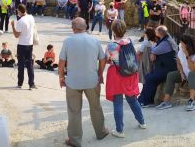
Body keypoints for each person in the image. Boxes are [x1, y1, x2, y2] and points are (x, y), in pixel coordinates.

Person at [59, 17, 109, 146]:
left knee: (74, 111)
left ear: (73, 28)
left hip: (73, 82)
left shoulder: (68, 41)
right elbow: (102, 59)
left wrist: (61, 77)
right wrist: (100, 74)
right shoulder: (95, 40)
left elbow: (61, 62)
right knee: (96, 107)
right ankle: (101, 132)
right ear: (85, 27)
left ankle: (75, 140)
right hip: (92, 80)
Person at [104, 20, 146, 138]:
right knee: (133, 100)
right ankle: (142, 122)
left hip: (117, 75)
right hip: (130, 75)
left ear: (113, 31)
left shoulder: (111, 45)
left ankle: (119, 130)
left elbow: (107, 59)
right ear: (124, 29)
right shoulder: (129, 41)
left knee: (118, 103)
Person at [156, 34, 195, 111]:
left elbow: (193, 69)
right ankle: (166, 101)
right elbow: (178, 62)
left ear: (188, 44)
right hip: (187, 74)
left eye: (182, 43)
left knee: (192, 73)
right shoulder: (181, 50)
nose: (180, 45)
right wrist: (181, 72)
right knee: (171, 75)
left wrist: (187, 55)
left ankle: (192, 101)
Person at [138, 26, 178, 107]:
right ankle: (141, 100)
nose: (155, 32)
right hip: (163, 67)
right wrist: (154, 52)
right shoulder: (165, 39)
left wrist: (153, 53)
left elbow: (154, 50)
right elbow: (155, 49)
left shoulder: (166, 43)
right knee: (149, 76)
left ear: (159, 33)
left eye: (156, 31)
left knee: (150, 78)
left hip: (168, 69)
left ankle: (146, 101)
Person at [10, 4, 36, 90]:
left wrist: (13, 26)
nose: (17, 12)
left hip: (22, 45)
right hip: (30, 44)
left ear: (20, 11)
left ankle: (20, 83)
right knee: (30, 65)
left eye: (17, 11)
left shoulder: (21, 21)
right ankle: (31, 84)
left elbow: (16, 35)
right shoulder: (31, 17)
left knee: (21, 65)